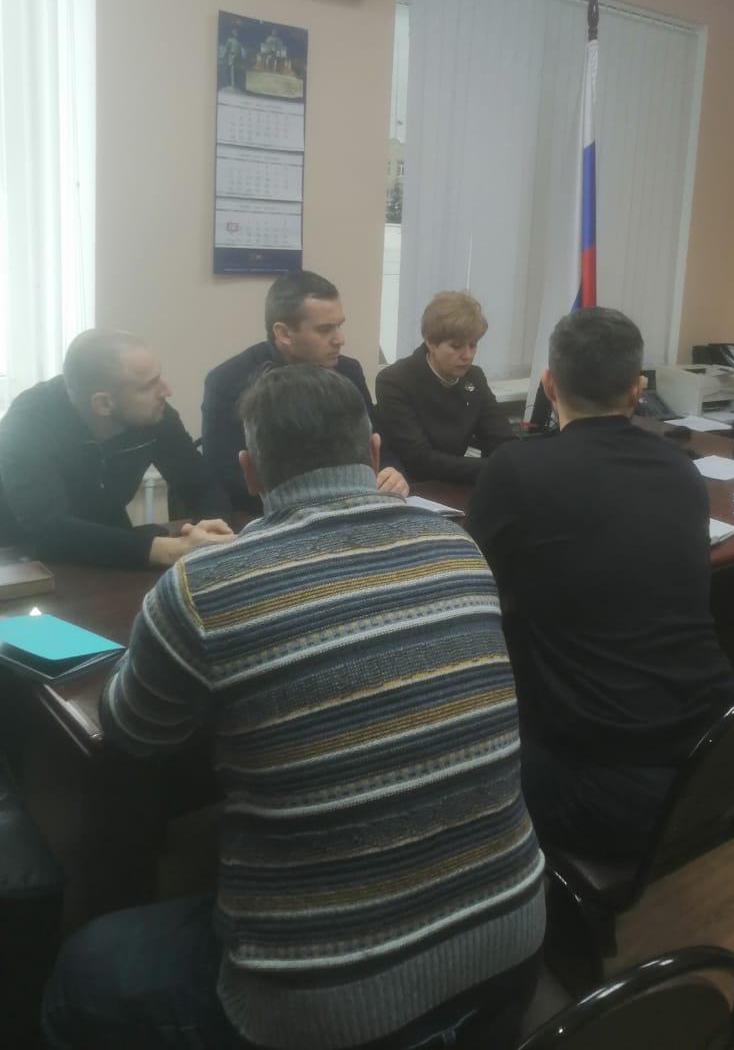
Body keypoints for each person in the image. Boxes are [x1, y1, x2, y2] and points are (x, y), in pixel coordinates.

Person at [43, 363, 545, 1050]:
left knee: (83, 966)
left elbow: (132, 732)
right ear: (372, 452)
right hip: (513, 948)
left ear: (250, 472)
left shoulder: (200, 587)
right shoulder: (458, 546)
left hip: (321, 1009)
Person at [466, 307, 734, 860]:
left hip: (604, 783)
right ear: (638, 389)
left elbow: (468, 588)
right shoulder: (682, 471)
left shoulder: (516, 469)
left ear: (549, 385)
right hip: (717, 752)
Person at [0, 330, 233, 569]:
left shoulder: (156, 415)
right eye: (148, 386)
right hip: (22, 561)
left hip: (112, 546)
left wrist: (208, 529)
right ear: (103, 404)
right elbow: (49, 528)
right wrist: (167, 550)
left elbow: (202, 484)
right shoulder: (25, 427)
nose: (166, 391)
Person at [202, 270, 407, 511]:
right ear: (283, 333)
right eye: (325, 330)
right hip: (268, 515)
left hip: (350, 509)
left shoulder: (348, 371)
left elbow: (376, 442)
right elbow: (223, 475)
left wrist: (391, 472)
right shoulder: (228, 381)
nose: (340, 339)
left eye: (339, 326)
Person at [375, 292, 513, 484]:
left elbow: (503, 440)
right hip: (411, 487)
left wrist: (510, 463)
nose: (467, 355)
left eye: (473, 345)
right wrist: (495, 468)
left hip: (457, 484)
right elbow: (419, 460)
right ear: (430, 342)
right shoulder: (395, 381)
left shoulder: (475, 377)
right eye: (456, 346)